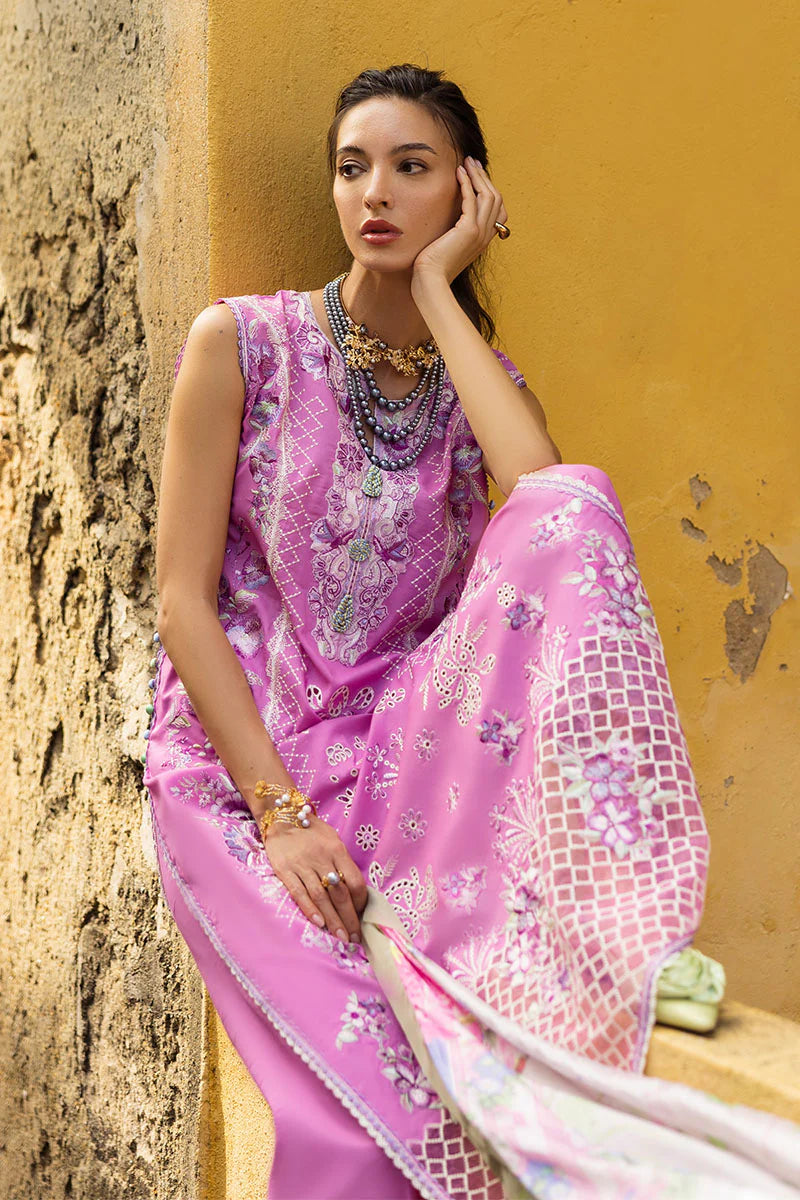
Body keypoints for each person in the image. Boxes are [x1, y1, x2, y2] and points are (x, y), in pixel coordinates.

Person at [143, 64, 797, 1199]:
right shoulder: (242, 344)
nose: (374, 194)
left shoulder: (472, 384)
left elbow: (546, 497)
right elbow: (180, 604)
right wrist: (280, 817)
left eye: (412, 167)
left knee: (575, 503)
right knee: (371, 1129)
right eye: (352, 168)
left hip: (403, 764)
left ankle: (600, 902)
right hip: (244, 772)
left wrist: (442, 292)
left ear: (468, 193)